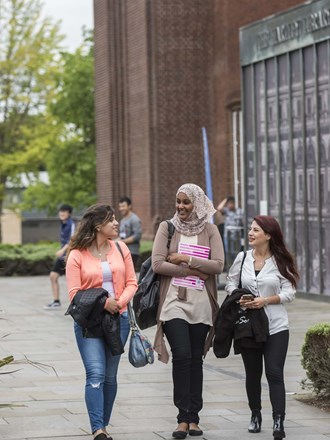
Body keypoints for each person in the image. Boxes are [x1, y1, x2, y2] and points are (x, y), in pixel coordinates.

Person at [152, 183, 224, 439]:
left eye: (186, 202)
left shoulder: (211, 229)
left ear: (198, 204)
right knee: (181, 355)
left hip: (201, 303)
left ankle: (194, 418)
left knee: (195, 359)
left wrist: (184, 259)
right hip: (173, 302)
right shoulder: (167, 228)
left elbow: (217, 265)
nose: (180, 207)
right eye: (178, 201)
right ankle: (182, 418)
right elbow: (158, 264)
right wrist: (193, 271)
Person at [65, 204, 137, 440]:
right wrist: (104, 303)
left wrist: (119, 303)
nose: (116, 223)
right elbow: (74, 293)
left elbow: (132, 283)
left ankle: (102, 425)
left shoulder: (120, 247)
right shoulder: (76, 254)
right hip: (90, 323)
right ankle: (98, 429)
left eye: (116, 219)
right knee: (95, 373)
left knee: (110, 377)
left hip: (120, 320)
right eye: (111, 220)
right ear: (98, 226)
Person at [225, 215, 299, 439]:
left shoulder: (280, 261)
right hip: (249, 325)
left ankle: (279, 420)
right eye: (250, 229)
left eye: (255, 230)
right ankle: (255, 415)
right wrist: (238, 296)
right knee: (253, 374)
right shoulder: (242, 258)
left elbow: (290, 293)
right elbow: (230, 282)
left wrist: (265, 300)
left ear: (268, 235)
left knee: (274, 372)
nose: (250, 233)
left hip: (276, 325)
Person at [44, 204, 75, 309]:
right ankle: (56, 301)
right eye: (61, 211)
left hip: (69, 256)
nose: (62, 214)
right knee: (53, 276)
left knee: (74, 280)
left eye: (64, 212)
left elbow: (72, 239)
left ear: (69, 213)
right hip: (63, 257)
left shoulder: (71, 224)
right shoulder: (63, 223)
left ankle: (76, 303)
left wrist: (62, 250)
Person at [217, 196, 243, 269]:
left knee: (237, 252)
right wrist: (225, 199)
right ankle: (230, 268)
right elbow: (219, 208)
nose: (231, 205)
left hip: (237, 236)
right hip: (228, 236)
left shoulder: (239, 211)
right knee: (228, 252)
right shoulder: (227, 211)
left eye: (232, 203)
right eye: (229, 203)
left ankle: (237, 267)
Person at [118, 196, 142, 271]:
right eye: (120, 206)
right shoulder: (122, 220)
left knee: (129, 275)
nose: (121, 208)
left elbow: (137, 236)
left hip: (132, 252)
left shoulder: (134, 219)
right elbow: (122, 237)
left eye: (123, 206)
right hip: (122, 251)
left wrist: (121, 242)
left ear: (129, 206)